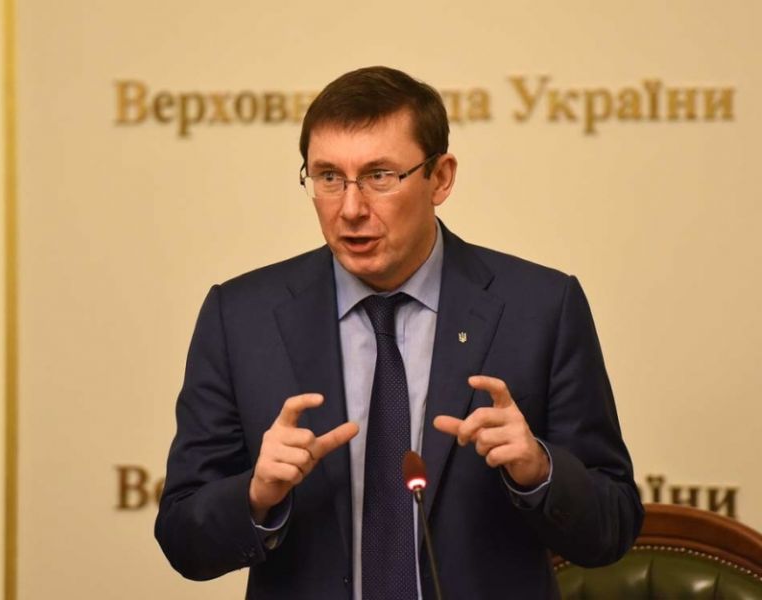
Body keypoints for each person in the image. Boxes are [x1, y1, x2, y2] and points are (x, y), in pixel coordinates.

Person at [155, 66, 642, 599]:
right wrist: (255, 496)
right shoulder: (241, 317)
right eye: (328, 177)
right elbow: (183, 539)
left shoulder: (540, 308)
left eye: (380, 176)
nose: (350, 208)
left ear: (441, 178)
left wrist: (539, 470)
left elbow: (613, 526)